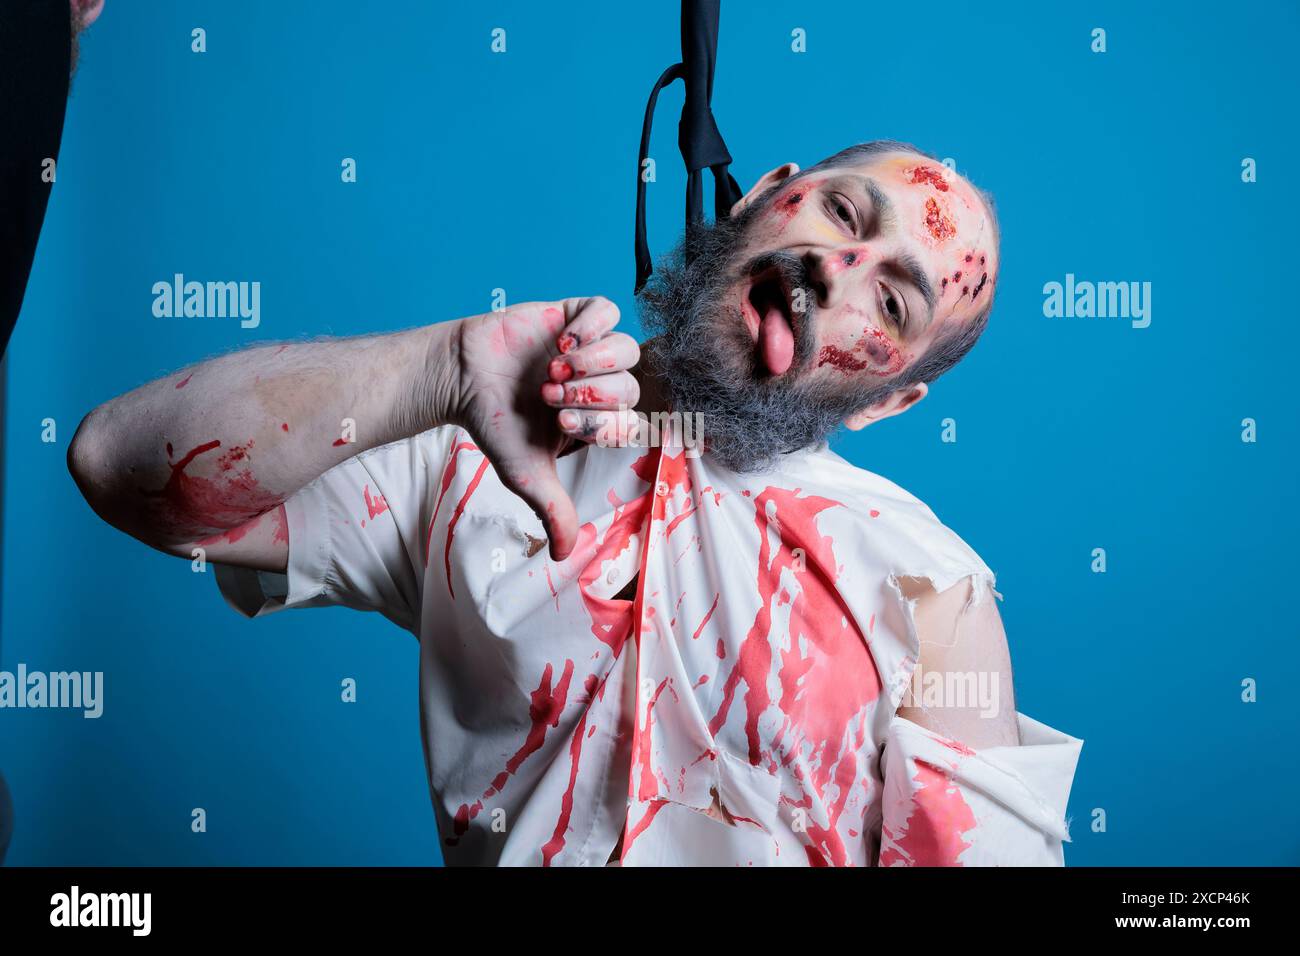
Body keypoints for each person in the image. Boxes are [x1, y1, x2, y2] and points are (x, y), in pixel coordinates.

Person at [68, 141, 1082, 866]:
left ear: (894, 399)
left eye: (894, 301)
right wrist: (437, 367)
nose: (838, 267)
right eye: (843, 213)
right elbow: (117, 464)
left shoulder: (934, 595)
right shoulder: (480, 442)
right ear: (763, 198)